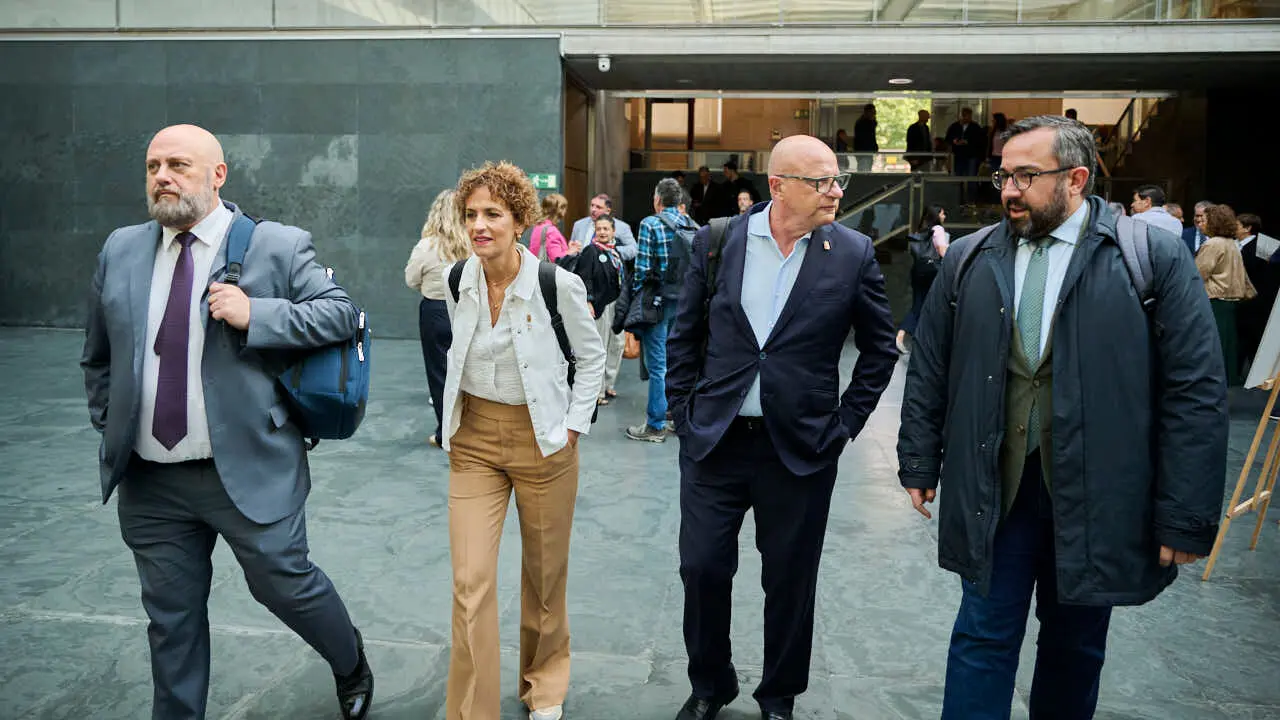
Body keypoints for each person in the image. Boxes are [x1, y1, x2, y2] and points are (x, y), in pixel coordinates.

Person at [897, 115, 1228, 720]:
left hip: (1099, 494)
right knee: (981, 636)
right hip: (995, 490)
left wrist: (1184, 515)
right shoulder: (970, 258)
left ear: (1076, 179)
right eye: (1003, 175)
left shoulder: (1147, 256)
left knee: (1075, 645)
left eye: (1026, 175)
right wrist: (918, 459)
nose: (1009, 189)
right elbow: (930, 369)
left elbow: (1195, 389)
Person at [80, 124, 373, 720]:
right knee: (171, 620)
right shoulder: (121, 249)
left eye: (178, 165)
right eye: (153, 166)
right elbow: (99, 353)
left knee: (285, 586)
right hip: (151, 480)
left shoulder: (277, 246)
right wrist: (111, 420)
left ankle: (349, 661)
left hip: (247, 467)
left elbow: (342, 314)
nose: (162, 177)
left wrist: (257, 313)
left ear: (218, 175)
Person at [665, 135, 898, 720]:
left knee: (791, 580)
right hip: (715, 441)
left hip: (801, 448)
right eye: (821, 182)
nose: (835, 191)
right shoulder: (718, 241)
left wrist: (845, 424)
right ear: (778, 186)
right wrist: (683, 414)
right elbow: (685, 334)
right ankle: (710, 684)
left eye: (837, 180)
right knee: (701, 567)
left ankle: (779, 697)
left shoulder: (852, 253)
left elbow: (880, 350)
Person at [440, 161, 605, 720]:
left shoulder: (556, 284)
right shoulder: (457, 279)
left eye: (493, 214)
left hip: (543, 441)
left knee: (544, 576)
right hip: (474, 441)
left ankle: (545, 686)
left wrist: (574, 426)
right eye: (471, 214)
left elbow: (591, 357)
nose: (479, 225)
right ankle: (473, 709)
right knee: (470, 579)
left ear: (519, 219)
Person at [626, 177, 698, 443]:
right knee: (682, 361)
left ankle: (655, 425)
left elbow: (642, 270)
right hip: (687, 304)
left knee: (658, 365)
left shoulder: (650, 224)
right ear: (679, 201)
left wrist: (636, 301)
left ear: (657, 200)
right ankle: (678, 418)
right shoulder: (692, 225)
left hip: (658, 302)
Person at [405, 188, 472, 447]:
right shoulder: (473, 243)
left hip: (435, 312)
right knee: (469, 372)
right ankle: (472, 430)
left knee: (440, 374)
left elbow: (411, 279)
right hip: (467, 309)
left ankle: (448, 433)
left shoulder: (427, 246)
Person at [1196, 204, 1257, 386]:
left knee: (1213, 346)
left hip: (1214, 301)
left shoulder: (1213, 244)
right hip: (1230, 303)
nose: (1201, 224)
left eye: (1204, 220)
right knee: (1226, 347)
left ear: (1214, 222)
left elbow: (1198, 274)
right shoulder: (1231, 243)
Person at [578, 214, 626, 404]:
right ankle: (597, 392)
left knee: (617, 345)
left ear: (613, 231)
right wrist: (588, 301)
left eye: (606, 229)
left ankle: (608, 384)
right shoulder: (590, 251)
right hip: (599, 306)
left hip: (617, 304)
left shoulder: (616, 252)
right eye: (599, 229)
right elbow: (584, 278)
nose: (602, 232)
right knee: (600, 348)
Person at [896, 204, 949, 354]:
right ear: (937, 215)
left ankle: (901, 336)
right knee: (935, 305)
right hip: (932, 271)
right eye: (942, 214)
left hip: (918, 270)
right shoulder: (938, 230)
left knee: (918, 304)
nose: (944, 216)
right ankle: (928, 341)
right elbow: (942, 251)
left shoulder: (921, 230)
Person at [568, 193, 637, 261]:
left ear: (608, 211)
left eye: (598, 207)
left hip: (607, 265)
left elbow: (633, 249)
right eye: (592, 205)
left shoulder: (622, 227)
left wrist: (611, 250)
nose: (593, 209)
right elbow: (572, 249)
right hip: (581, 265)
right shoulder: (579, 224)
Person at [530, 193, 573, 262]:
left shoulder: (538, 226)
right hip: (546, 268)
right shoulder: (551, 231)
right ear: (560, 210)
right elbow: (556, 259)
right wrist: (571, 251)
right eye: (565, 208)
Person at [852, 103, 878, 172]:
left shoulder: (864, 122)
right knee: (864, 171)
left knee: (866, 170)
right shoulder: (863, 123)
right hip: (864, 152)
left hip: (865, 152)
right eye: (873, 112)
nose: (874, 114)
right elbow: (868, 139)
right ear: (867, 112)